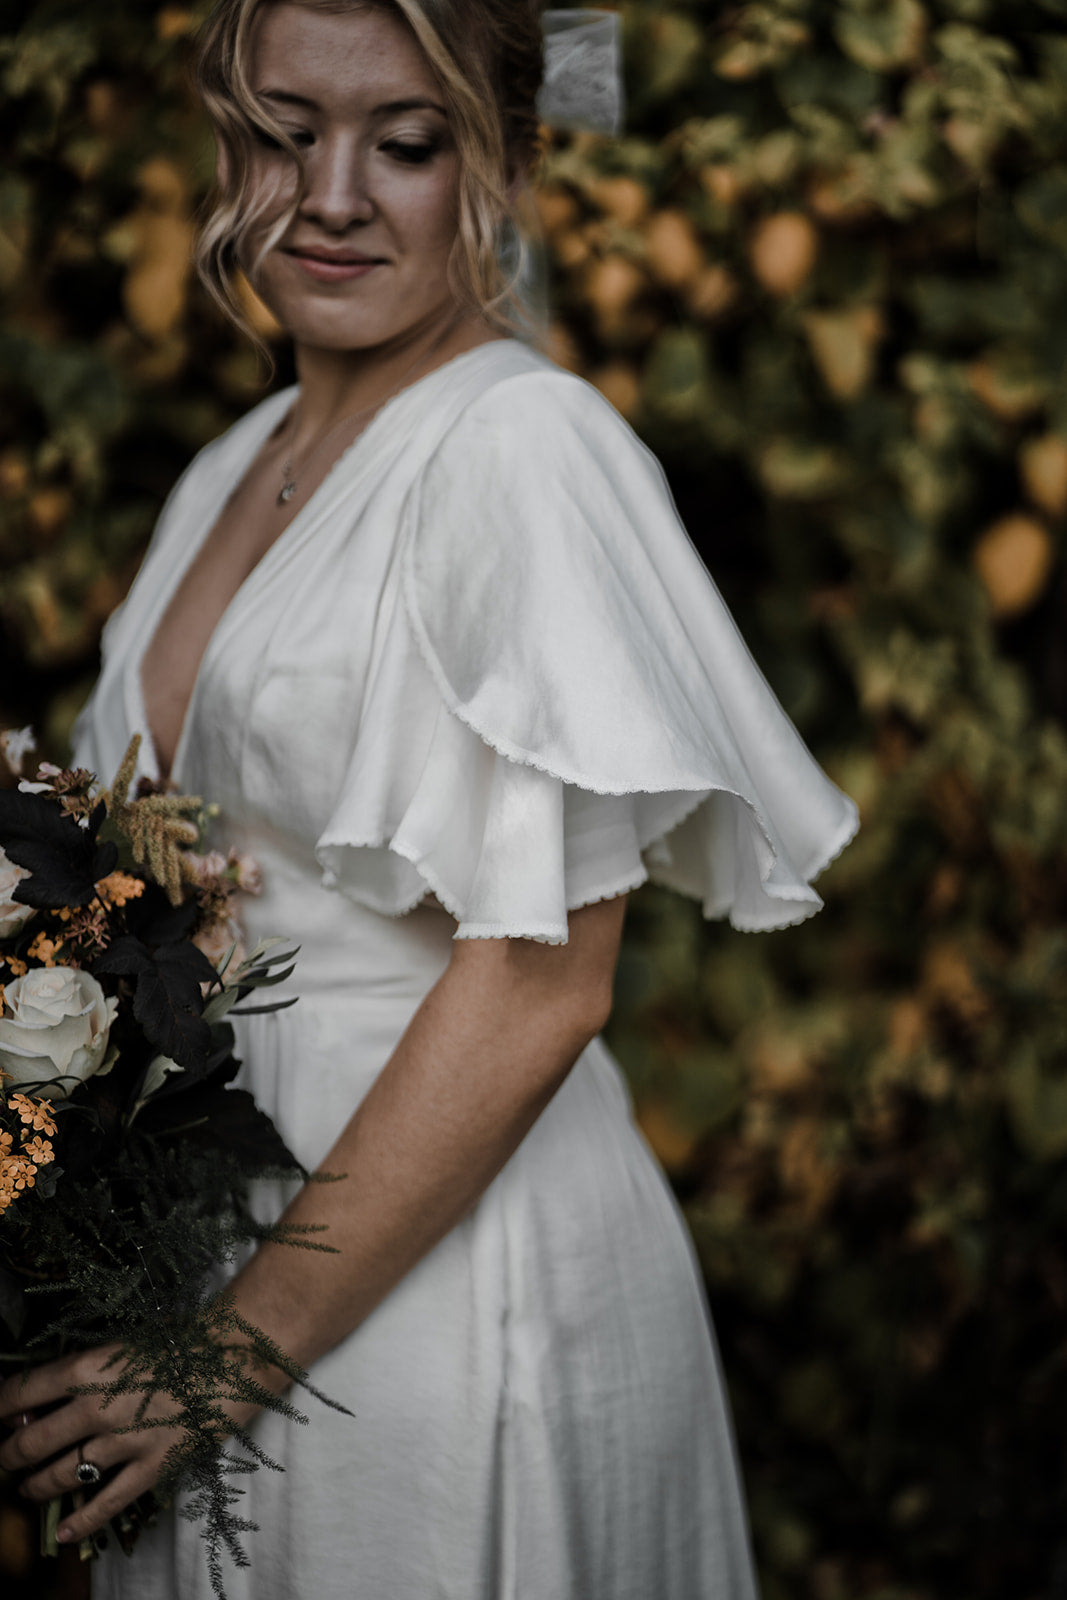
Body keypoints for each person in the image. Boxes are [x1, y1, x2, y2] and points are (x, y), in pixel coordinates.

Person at [0, 1, 859, 1595]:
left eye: (405, 143)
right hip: (214, 1240)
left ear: (510, 160)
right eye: (280, 131)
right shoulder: (235, 463)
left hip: (429, 1279)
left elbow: (542, 978)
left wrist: (226, 1355)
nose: (330, 193)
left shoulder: (521, 447)